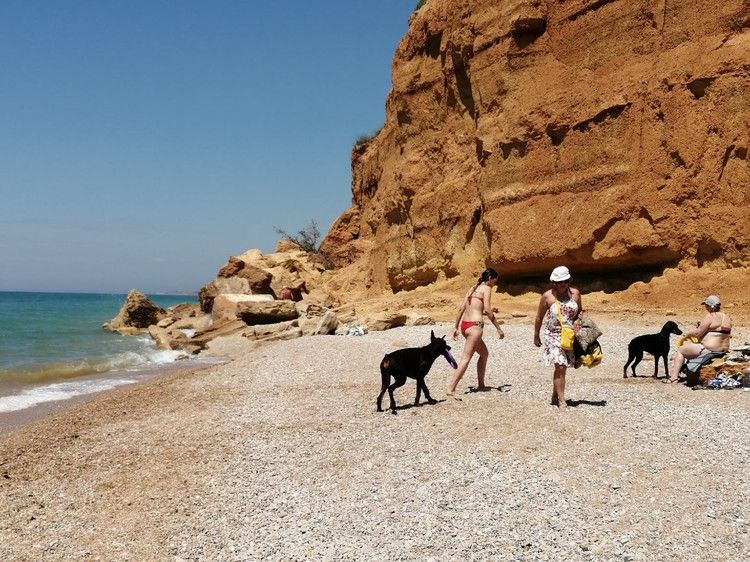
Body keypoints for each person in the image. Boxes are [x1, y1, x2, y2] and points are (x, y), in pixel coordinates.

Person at [446, 268, 505, 398]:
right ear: (490, 278)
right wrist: (498, 328)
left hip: (465, 325)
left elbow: (461, 308)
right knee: (466, 358)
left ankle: (481, 385)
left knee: (484, 354)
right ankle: (451, 389)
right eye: (495, 281)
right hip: (475, 327)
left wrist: (456, 327)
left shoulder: (472, 288)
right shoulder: (486, 289)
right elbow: (488, 310)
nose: (495, 284)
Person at [533, 266, 582, 409]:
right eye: (559, 282)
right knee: (560, 365)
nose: (562, 284)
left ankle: (555, 395)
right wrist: (536, 335)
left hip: (569, 334)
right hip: (552, 334)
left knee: (563, 367)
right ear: (554, 282)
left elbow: (579, 311)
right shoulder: (547, 297)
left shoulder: (576, 294)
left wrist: (578, 320)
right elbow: (539, 317)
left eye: (565, 281)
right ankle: (562, 400)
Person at [666, 294, 732, 383]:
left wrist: (687, 334)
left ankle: (674, 377)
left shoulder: (710, 316)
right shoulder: (726, 317)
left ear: (709, 306)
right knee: (689, 345)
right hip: (723, 350)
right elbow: (716, 331)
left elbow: (697, 333)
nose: (705, 308)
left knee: (681, 350)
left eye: (706, 306)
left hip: (709, 350)